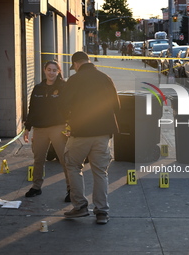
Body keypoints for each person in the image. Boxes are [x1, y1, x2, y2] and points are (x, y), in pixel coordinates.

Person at [61, 51, 120, 224]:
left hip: (80, 133)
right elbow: (116, 106)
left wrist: (69, 122)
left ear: (77, 64)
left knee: (72, 165)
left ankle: (79, 207)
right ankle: (102, 212)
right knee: (100, 172)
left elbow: (63, 106)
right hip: (102, 134)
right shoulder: (105, 78)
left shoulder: (74, 80)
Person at [23, 60, 71, 202]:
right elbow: (32, 109)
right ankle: (36, 187)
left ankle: (71, 189)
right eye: (49, 69)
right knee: (38, 159)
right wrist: (27, 127)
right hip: (40, 129)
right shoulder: (38, 88)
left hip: (58, 127)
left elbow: (70, 107)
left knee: (64, 159)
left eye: (54, 70)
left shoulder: (64, 87)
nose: (51, 73)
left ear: (58, 72)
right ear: (44, 70)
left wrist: (69, 125)